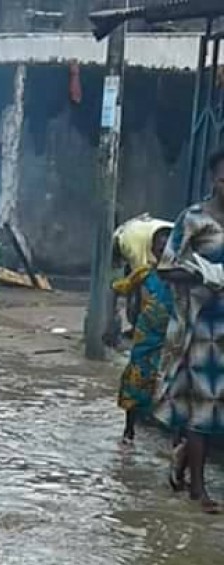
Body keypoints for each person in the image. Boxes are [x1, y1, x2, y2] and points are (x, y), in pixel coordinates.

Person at [154, 147, 224, 513]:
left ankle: (182, 459)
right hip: (202, 328)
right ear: (214, 178)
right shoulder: (194, 220)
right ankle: (199, 490)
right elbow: (165, 269)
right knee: (204, 407)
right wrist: (201, 275)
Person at [111, 216, 174, 444]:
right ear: (152, 250)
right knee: (136, 379)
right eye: (159, 245)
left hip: (172, 338)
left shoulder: (184, 278)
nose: (163, 248)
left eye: (168, 244)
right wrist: (112, 319)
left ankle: (173, 435)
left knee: (169, 383)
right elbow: (119, 289)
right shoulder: (144, 274)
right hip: (146, 336)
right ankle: (129, 432)